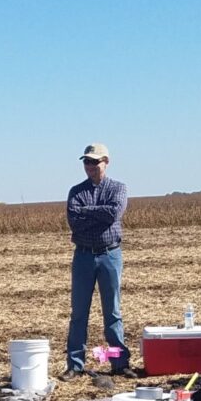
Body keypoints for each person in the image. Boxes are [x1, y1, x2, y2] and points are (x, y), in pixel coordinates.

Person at [65, 142, 129, 375]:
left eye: (95, 161)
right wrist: (98, 215)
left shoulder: (119, 188)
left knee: (112, 312)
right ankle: (75, 365)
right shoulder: (76, 191)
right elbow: (74, 222)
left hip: (110, 254)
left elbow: (114, 213)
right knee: (79, 313)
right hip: (83, 256)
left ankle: (119, 363)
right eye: (87, 162)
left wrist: (87, 211)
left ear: (106, 162)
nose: (90, 166)